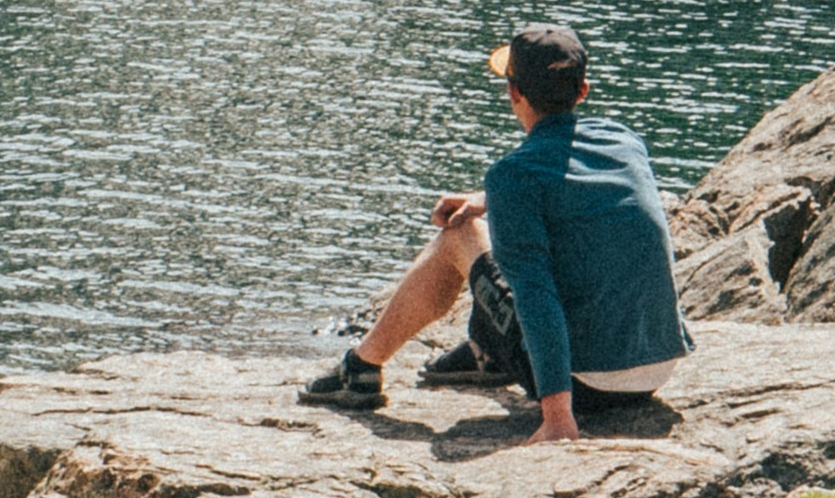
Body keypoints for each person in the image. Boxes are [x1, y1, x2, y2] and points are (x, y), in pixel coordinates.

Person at [296, 22, 692, 439]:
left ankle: (360, 370)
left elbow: (536, 296)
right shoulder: (623, 140)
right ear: (583, 90)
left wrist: (557, 417)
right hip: (657, 369)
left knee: (460, 235)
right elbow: (577, 190)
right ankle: (487, 352)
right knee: (532, 240)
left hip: (585, 387)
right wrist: (488, 198)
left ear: (513, 93)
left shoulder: (514, 175)